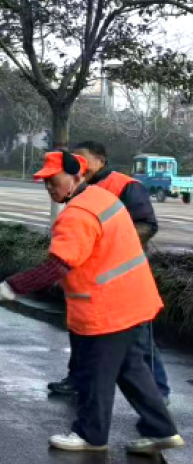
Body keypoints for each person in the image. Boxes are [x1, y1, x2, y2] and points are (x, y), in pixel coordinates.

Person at [0, 150, 183, 454]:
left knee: (95, 371)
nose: (49, 188)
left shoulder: (77, 214)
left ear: (75, 176)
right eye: (45, 182)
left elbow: (59, 266)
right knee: (131, 370)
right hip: (135, 299)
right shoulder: (101, 198)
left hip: (107, 307)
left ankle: (91, 436)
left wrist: (13, 286)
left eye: (53, 180)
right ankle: (161, 430)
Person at [46, 141, 169, 401]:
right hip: (91, 279)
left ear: (101, 160)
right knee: (82, 332)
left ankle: (158, 391)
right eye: (74, 158)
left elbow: (147, 224)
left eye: (83, 158)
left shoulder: (126, 185)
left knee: (138, 338)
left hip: (123, 276)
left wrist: (111, 245)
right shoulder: (79, 187)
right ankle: (78, 379)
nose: (79, 163)